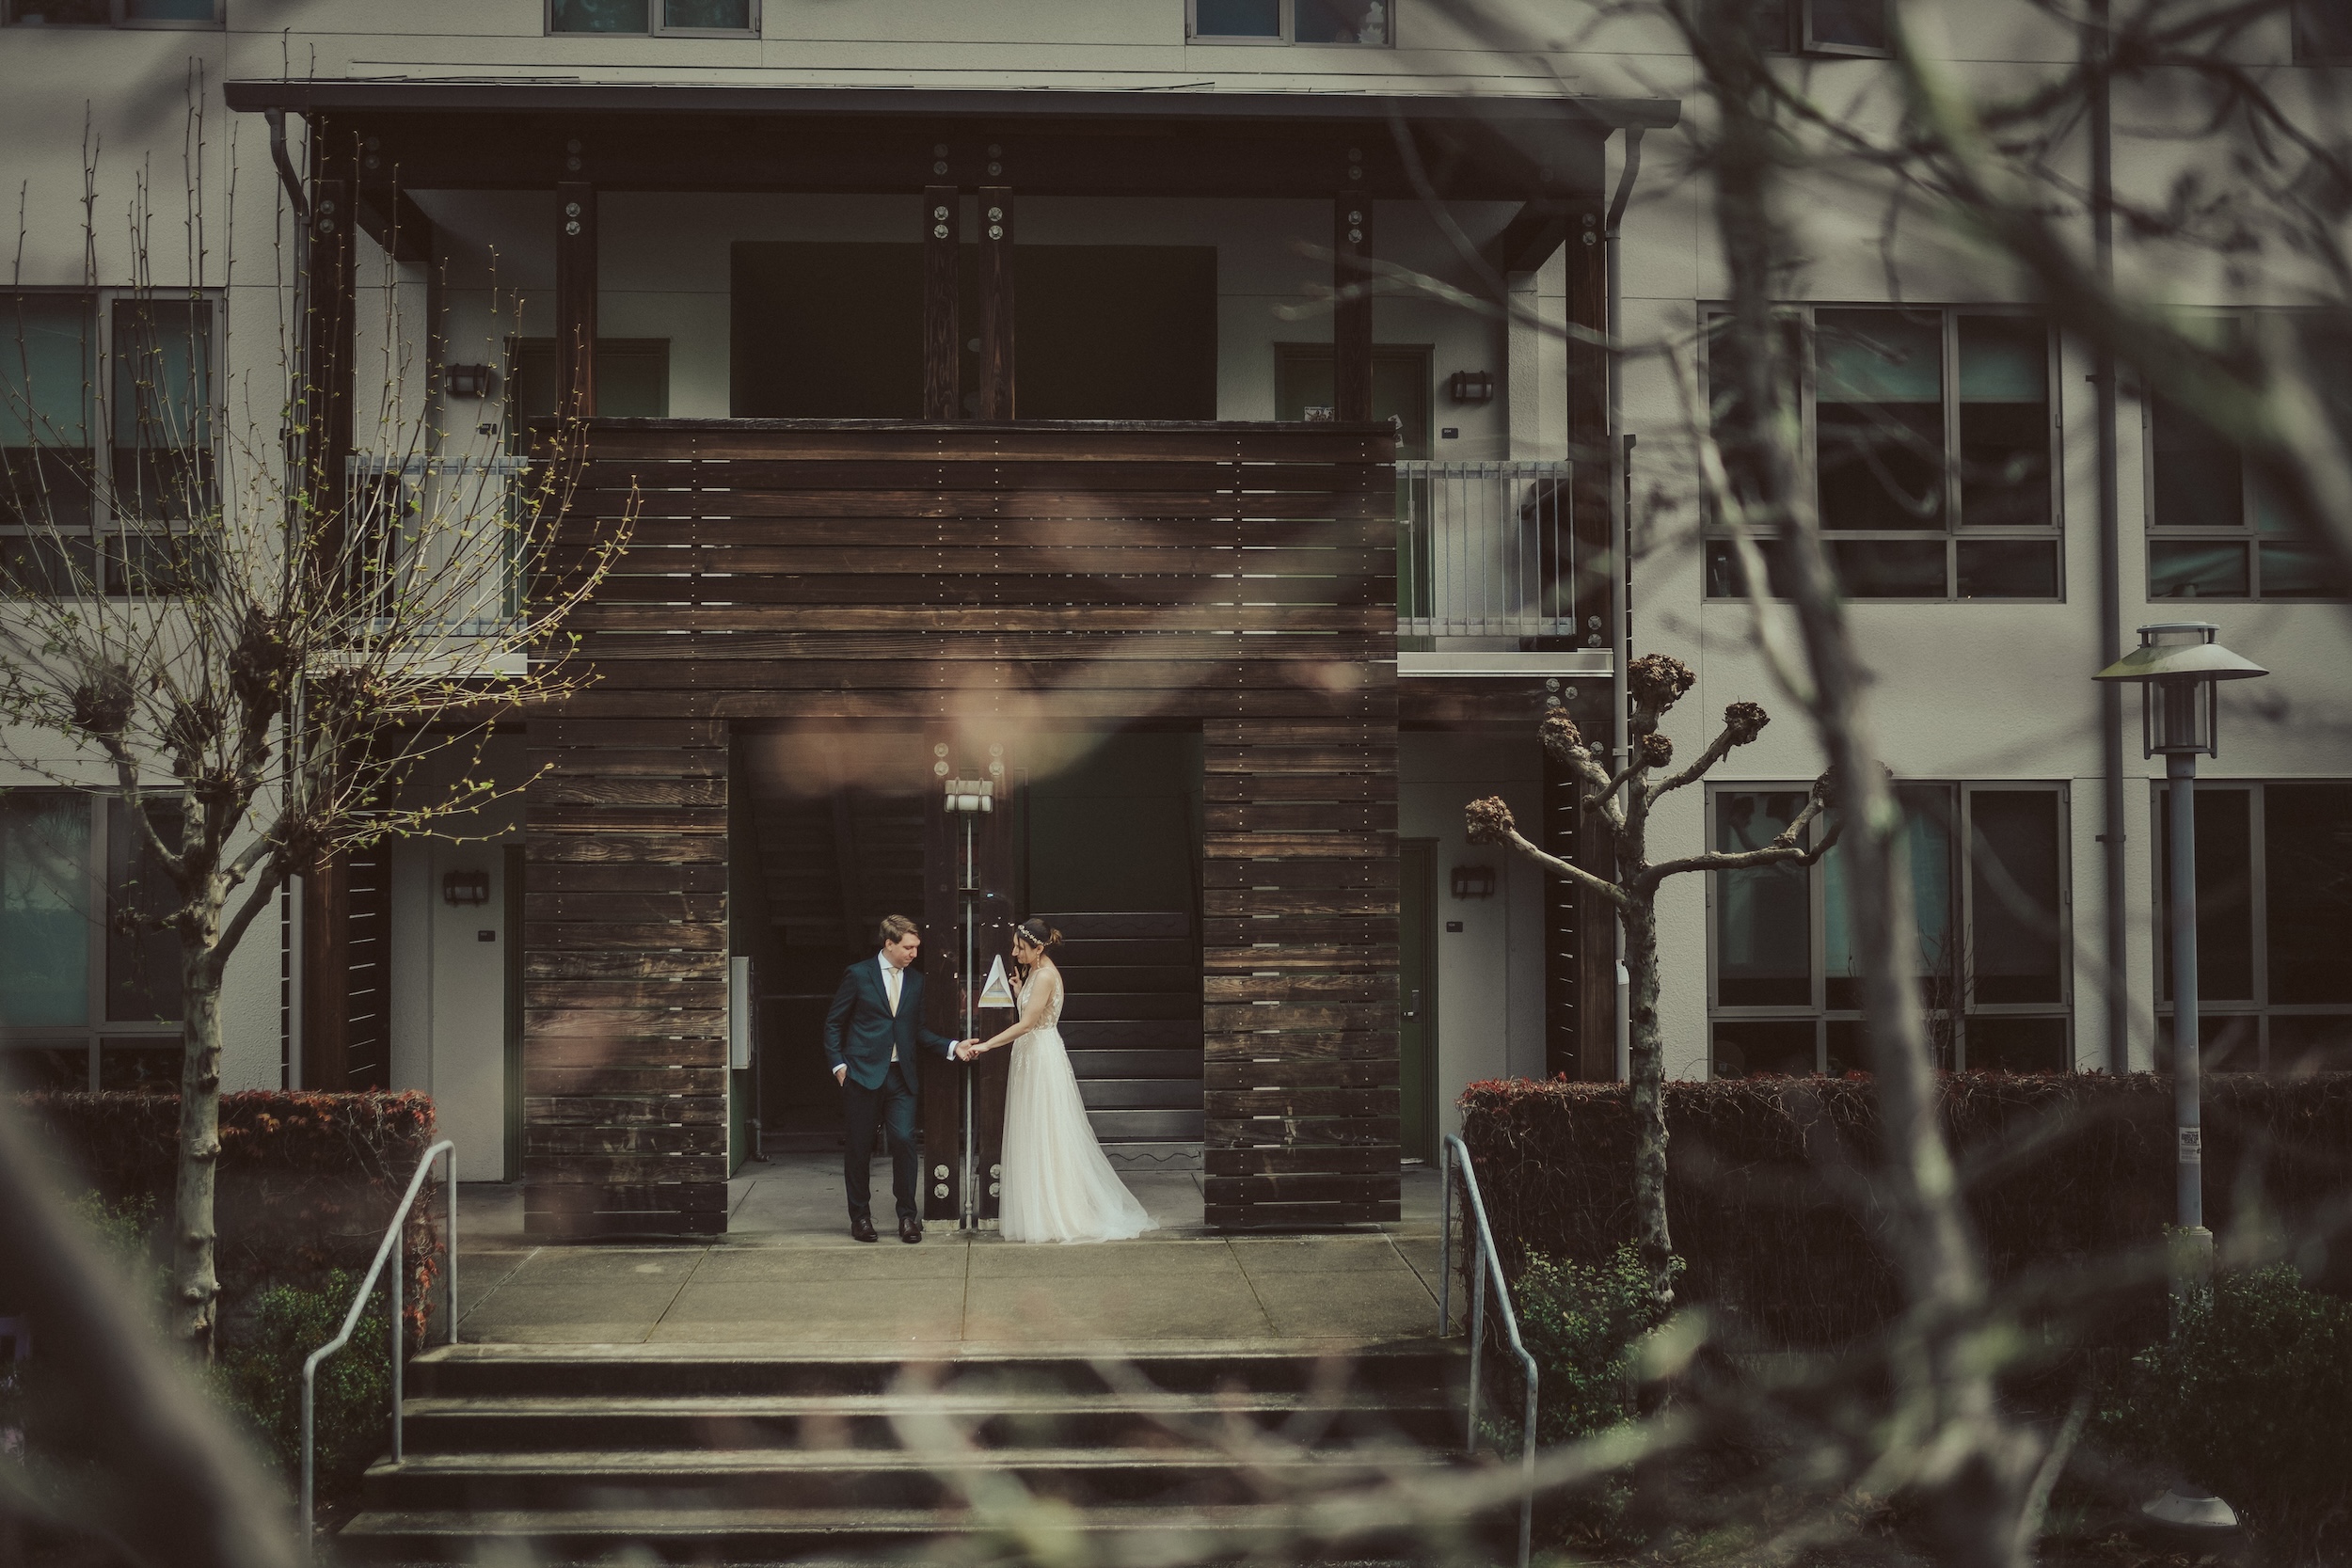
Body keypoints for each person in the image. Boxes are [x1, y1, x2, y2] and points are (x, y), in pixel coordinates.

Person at [959, 917, 1156, 1243]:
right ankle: (1042, 1207)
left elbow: (1027, 1024)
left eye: (1020, 948)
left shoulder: (1046, 975)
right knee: (1035, 1128)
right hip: (1031, 1054)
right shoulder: (1035, 973)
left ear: (1038, 949)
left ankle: (1056, 1211)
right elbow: (1034, 1011)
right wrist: (1021, 990)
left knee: (1046, 1129)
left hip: (1040, 1056)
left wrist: (987, 1044)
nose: (1014, 952)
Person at [823, 915, 972, 1243]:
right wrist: (839, 1067)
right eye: (908, 947)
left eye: (917, 947)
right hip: (861, 1075)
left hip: (900, 1077)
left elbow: (916, 1030)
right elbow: (834, 1022)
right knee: (860, 1148)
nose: (914, 953)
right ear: (888, 944)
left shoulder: (916, 981)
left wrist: (952, 1046)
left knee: (905, 1141)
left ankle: (907, 1217)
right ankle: (860, 1218)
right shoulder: (858, 974)